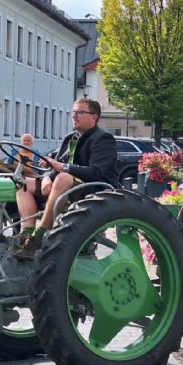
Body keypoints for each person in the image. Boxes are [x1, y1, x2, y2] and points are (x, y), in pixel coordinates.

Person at [12, 98, 118, 259]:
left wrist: (61, 168)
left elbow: (95, 172)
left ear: (94, 117)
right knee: (23, 181)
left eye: (80, 112)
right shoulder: (70, 139)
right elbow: (55, 162)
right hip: (66, 185)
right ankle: (26, 233)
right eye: (73, 112)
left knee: (62, 177)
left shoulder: (103, 139)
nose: (74, 116)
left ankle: (40, 235)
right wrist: (47, 177)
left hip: (94, 190)